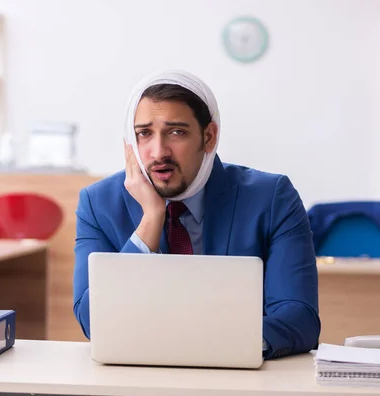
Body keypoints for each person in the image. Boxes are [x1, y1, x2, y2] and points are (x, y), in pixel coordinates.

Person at [72, 70, 320, 360]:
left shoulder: (272, 197)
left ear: (209, 136)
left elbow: (299, 319)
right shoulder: (98, 204)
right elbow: (93, 322)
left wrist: (206, 345)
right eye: (144, 134)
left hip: (239, 379)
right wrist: (151, 220)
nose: (158, 152)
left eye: (176, 132)